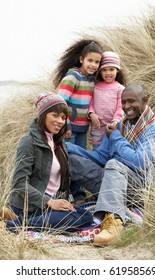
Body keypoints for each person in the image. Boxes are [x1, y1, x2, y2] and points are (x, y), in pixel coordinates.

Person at [67, 84, 155, 246]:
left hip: (139, 191)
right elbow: (100, 157)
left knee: (115, 164)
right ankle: (53, 202)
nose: (127, 106)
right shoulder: (119, 126)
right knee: (71, 159)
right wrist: (69, 148)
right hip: (112, 183)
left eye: (132, 101)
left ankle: (113, 224)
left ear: (145, 100)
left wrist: (115, 137)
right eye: (124, 102)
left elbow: (139, 162)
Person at [5, 92, 93, 233]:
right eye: (55, 115)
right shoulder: (28, 142)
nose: (60, 121)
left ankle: (15, 220)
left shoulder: (59, 142)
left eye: (64, 118)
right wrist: (50, 202)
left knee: (86, 216)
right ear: (42, 115)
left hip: (50, 206)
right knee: (75, 218)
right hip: (31, 206)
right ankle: (12, 225)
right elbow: (19, 184)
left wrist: (63, 202)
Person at [53, 39, 103, 204]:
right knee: (67, 162)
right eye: (90, 60)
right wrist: (65, 124)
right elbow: (60, 101)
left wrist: (90, 115)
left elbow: (87, 104)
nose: (93, 65)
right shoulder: (73, 76)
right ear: (82, 59)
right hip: (68, 128)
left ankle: (78, 196)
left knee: (78, 163)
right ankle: (66, 196)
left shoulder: (91, 80)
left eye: (97, 62)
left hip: (83, 129)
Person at [88, 51, 126, 150]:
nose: (108, 73)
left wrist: (116, 120)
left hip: (112, 126)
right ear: (100, 71)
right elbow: (90, 103)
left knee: (112, 148)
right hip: (97, 126)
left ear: (117, 70)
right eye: (104, 70)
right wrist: (92, 114)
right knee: (97, 150)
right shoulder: (95, 87)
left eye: (111, 69)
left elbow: (120, 107)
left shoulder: (120, 88)